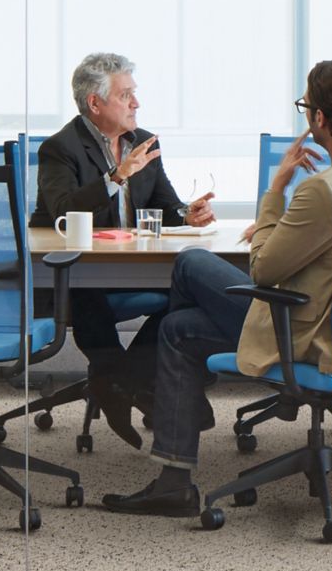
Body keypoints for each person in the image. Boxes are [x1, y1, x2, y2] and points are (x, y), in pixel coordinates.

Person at [104, 57, 332, 520]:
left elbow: (263, 270)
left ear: (318, 118)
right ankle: (171, 429)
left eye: (305, 108)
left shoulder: (326, 190)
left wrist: (277, 190)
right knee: (179, 326)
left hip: (306, 333)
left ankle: (163, 425)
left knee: (191, 265)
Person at [35, 51, 214, 443]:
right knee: (86, 290)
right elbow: (62, 210)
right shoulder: (59, 148)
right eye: (126, 95)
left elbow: (166, 207)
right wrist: (116, 176)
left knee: (188, 291)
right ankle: (128, 382)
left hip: (133, 268)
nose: (136, 103)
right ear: (95, 103)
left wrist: (188, 215)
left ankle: (120, 381)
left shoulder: (145, 142)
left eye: (135, 93)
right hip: (78, 275)